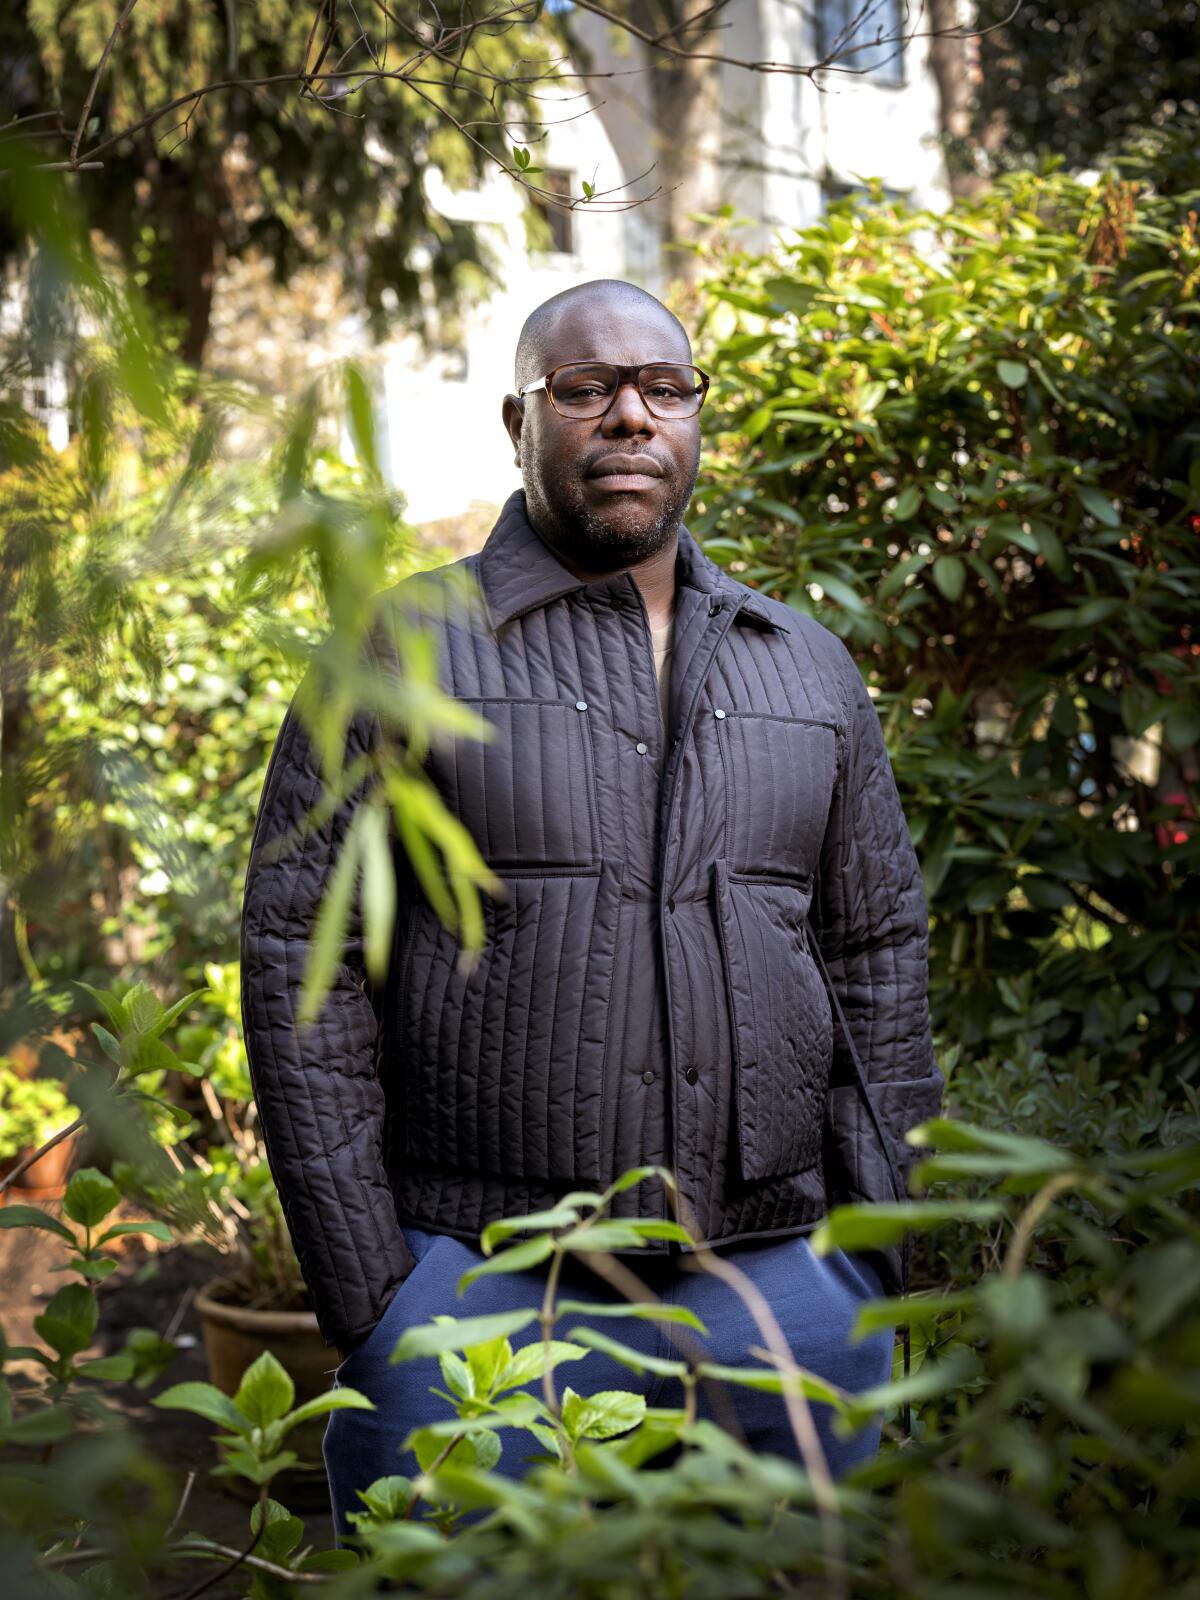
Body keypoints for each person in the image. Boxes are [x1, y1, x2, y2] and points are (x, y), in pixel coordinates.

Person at [239, 278, 943, 1540]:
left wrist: (874, 1255)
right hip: (474, 1289)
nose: (631, 415)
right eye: (587, 388)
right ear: (520, 419)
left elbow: (878, 953)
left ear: (694, 421)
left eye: (663, 389)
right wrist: (373, 1295)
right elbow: (305, 962)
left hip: (782, 1285)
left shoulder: (808, 665)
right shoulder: (402, 649)